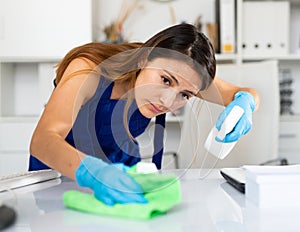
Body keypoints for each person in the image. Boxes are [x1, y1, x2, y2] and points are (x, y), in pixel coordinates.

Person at [29, 23, 259, 206]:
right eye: (166, 80)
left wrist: (244, 104)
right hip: (57, 178)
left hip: (121, 182)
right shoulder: (88, 68)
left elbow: (244, 93)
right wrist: (95, 173)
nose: (167, 102)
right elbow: (44, 139)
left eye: (185, 95)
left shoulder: (187, 74)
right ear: (143, 59)